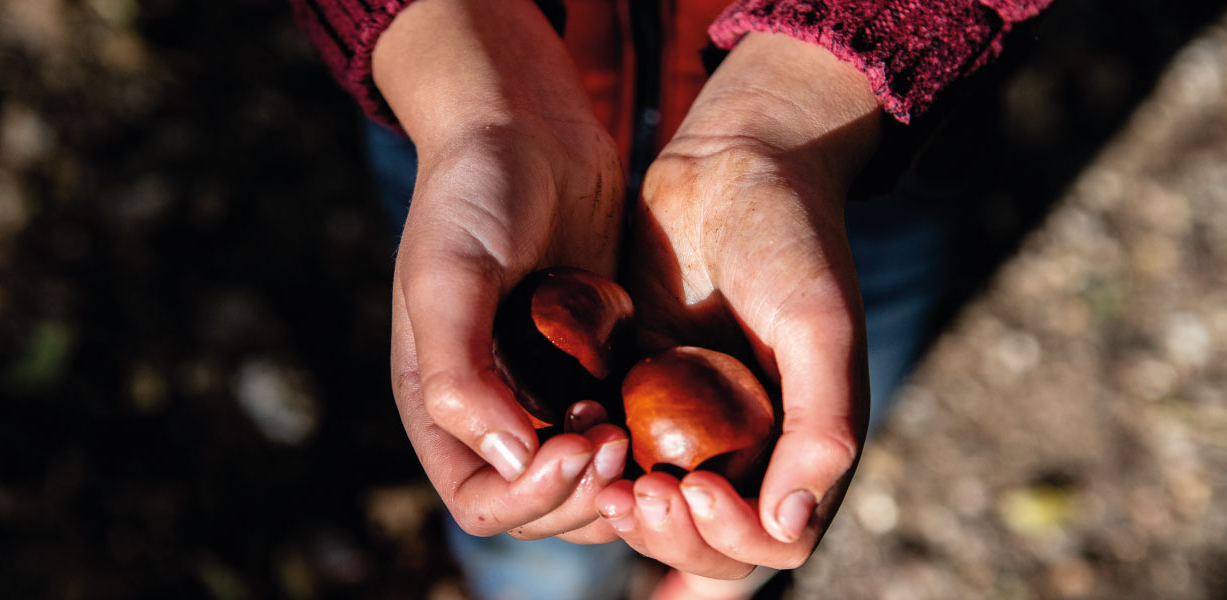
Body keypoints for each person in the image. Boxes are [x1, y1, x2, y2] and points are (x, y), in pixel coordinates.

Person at [289, 0, 1054, 597]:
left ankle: (700, 576)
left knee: (828, 385)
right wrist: (473, 86)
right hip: (461, 92)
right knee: (529, 504)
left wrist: (802, 99)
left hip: (853, 137)